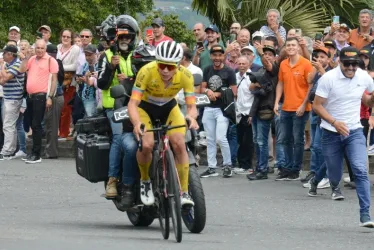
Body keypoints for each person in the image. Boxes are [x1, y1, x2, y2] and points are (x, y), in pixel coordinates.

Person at [128, 41, 199, 207]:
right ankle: (145, 180)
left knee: (179, 143)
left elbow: (191, 106)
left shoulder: (186, 75)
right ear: (156, 62)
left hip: (169, 107)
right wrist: (137, 123)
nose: (165, 70)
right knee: (147, 145)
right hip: (145, 108)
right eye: (161, 65)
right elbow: (133, 104)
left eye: (171, 67)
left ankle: (184, 192)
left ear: (178, 64)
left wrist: (191, 116)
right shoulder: (146, 72)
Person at [310, 47, 374, 228]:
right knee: (335, 175)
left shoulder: (364, 77)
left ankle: (365, 214)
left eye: (355, 64)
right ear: (339, 62)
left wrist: (372, 102)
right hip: (331, 133)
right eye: (348, 64)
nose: (351, 68)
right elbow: (317, 106)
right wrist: (334, 122)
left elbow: (368, 101)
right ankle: (316, 180)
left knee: (361, 170)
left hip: (354, 131)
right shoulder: (328, 79)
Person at [98, 15, 140, 199]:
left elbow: (145, 78)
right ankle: (113, 179)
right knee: (118, 138)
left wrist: (129, 80)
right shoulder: (106, 56)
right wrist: (110, 68)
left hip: (138, 104)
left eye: (127, 37)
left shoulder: (140, 55)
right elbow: (101, 84)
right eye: (121, 37)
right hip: (115, 107)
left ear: (133, 38)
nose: (124, 40)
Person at [274, 37, 313, 180]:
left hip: (300, 108)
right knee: (285, 139)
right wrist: (276, 102)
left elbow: (310, 86)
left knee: (298, 140)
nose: (290, 47)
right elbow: (280, 83)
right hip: (285, 107)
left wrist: (304, 104)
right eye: (288, 45)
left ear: (298, 47)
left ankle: (295, 170)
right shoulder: (283, 64)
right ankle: (288, 168)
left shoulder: (306, 64)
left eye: (293, 45)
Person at [199, 44, 237, 178]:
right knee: (210, 139)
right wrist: (208, 91)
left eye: (220, 55)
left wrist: (218, 94)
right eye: (214, 55)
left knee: (221, 138)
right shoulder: (207, 69)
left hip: (223, 109)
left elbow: (234, 91)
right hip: (209, 108)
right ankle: (211, 167)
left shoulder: (229, 72)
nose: (217, 57)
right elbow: (202, 88)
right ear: (211, 56)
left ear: (223, 56)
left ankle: (227, 165)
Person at [19, 39, 59, 164]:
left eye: (42, 48)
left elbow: (54, 80)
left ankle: (37, 154)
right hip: (30, 96)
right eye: (38, 48)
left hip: (41, 96)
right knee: (32, 124)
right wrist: (26, 57)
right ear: (35, 48)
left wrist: (50, 97)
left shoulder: (50, 60)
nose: (40, 50)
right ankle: (33, 153)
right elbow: (21, 70)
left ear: (45, 49)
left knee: (36, 124)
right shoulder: (32, 59)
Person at [301, 47, 332, 188]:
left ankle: (325, 177)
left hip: (324, 113)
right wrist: (315, 67)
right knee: (314, 146)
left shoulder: (331, 72)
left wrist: (320, 68)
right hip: (314, 111)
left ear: (329, 59)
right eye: (317, 56)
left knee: (320, 146)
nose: (319, 59)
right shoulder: (317, 71)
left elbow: (331, 86)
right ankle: (315, 174)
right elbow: (309, 80)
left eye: (323, 57)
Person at [247, 45, 279, 180]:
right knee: (256, 140)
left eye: (269, 54)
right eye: (264, 54)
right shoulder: (259, 70)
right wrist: (258, 85)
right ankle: (258, 167)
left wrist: (260, 53)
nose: (267, 56)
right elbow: (251, 86)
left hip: (266, 108)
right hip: (255, 109)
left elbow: (268, 67)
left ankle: (263, 169)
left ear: (275, 57)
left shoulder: (275, 69)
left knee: (262, 141)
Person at [0, 45, 25, 160]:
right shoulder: (9, 65)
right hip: (8, 98)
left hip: (13, 99)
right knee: (10, 125)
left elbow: (6, 77)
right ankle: (11, 149)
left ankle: (7, 151)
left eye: (4, 53)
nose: (3, 55)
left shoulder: (17, 64)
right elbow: (2, 82)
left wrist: (1, 66)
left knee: (8, 125)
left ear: (10, 54)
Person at [57, 29, 81, 140]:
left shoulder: (75, 49)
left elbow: (75, 66)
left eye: (68, 37)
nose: (65, 38)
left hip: (69, 83)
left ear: (71, 38)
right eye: (64, 36)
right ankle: (57, 131)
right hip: (56, 81)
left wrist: (59, 68)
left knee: (66, 108)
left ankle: (64, 133)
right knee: (56, 108)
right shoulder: (57, 47)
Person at [234, 56, 255, 175]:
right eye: (239, 63)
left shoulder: (252, 77)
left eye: (244, 63)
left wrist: (252, 114)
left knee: (248, 141)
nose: (241, 65)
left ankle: (247, 165)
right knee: (240, 140)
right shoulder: (235, 76)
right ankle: (241, 164)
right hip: (239, 113)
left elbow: (255, 96)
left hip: (249, 113)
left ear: (249, 64)